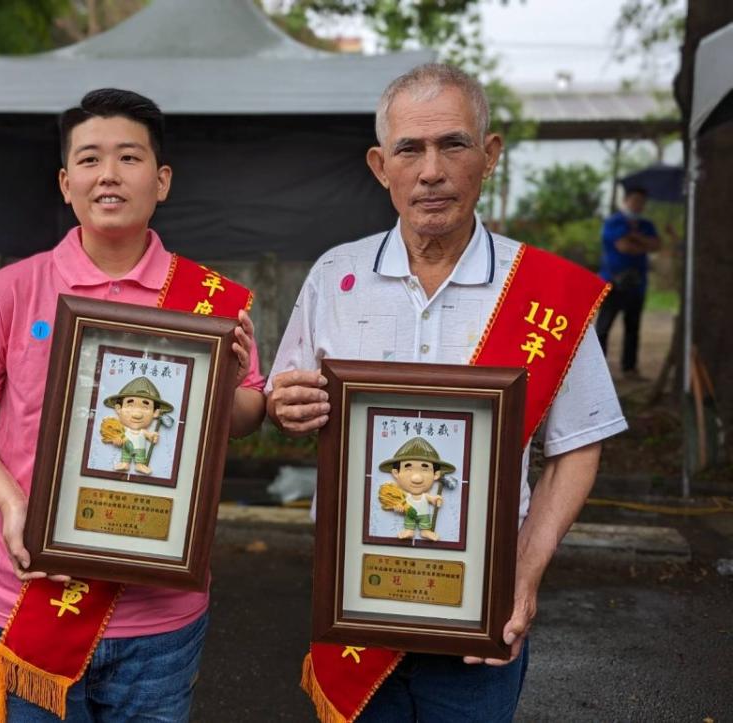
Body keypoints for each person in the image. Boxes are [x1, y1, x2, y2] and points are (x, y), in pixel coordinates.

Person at [267, 64, 627, 722]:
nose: (431, 170)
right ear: (381, 165)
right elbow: (285, 395)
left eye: (453, 144)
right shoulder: (334, 275)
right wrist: (284, 406)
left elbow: (578, 444)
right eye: (410, 149)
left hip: (479, 627)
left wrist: (525, 569)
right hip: (357, 611)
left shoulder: (545, 296)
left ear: (489, 155)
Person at [0, 88, 266, 722]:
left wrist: (232, 381)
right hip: (31, 593)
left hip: (160, 615)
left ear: (161, 180)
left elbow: (244, 419)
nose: (108, 174)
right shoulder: (13, 290)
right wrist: (10, 501)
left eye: (129, 157)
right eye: (89, 159)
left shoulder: (212, 301)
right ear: (65, 181)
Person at [596, 186, 662, 380]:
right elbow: (624, 247)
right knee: (603, 327)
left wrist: (634, 237)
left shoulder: (646, 224)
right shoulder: (614, 221)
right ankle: (597, 372)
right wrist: (643, 243)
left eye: (642, 202)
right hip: (612, 282)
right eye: (635, 200)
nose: (638, 205)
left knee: (633, 328)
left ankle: (629, 368)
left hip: (637, 283)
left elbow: (657, 245)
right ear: (626, 200)